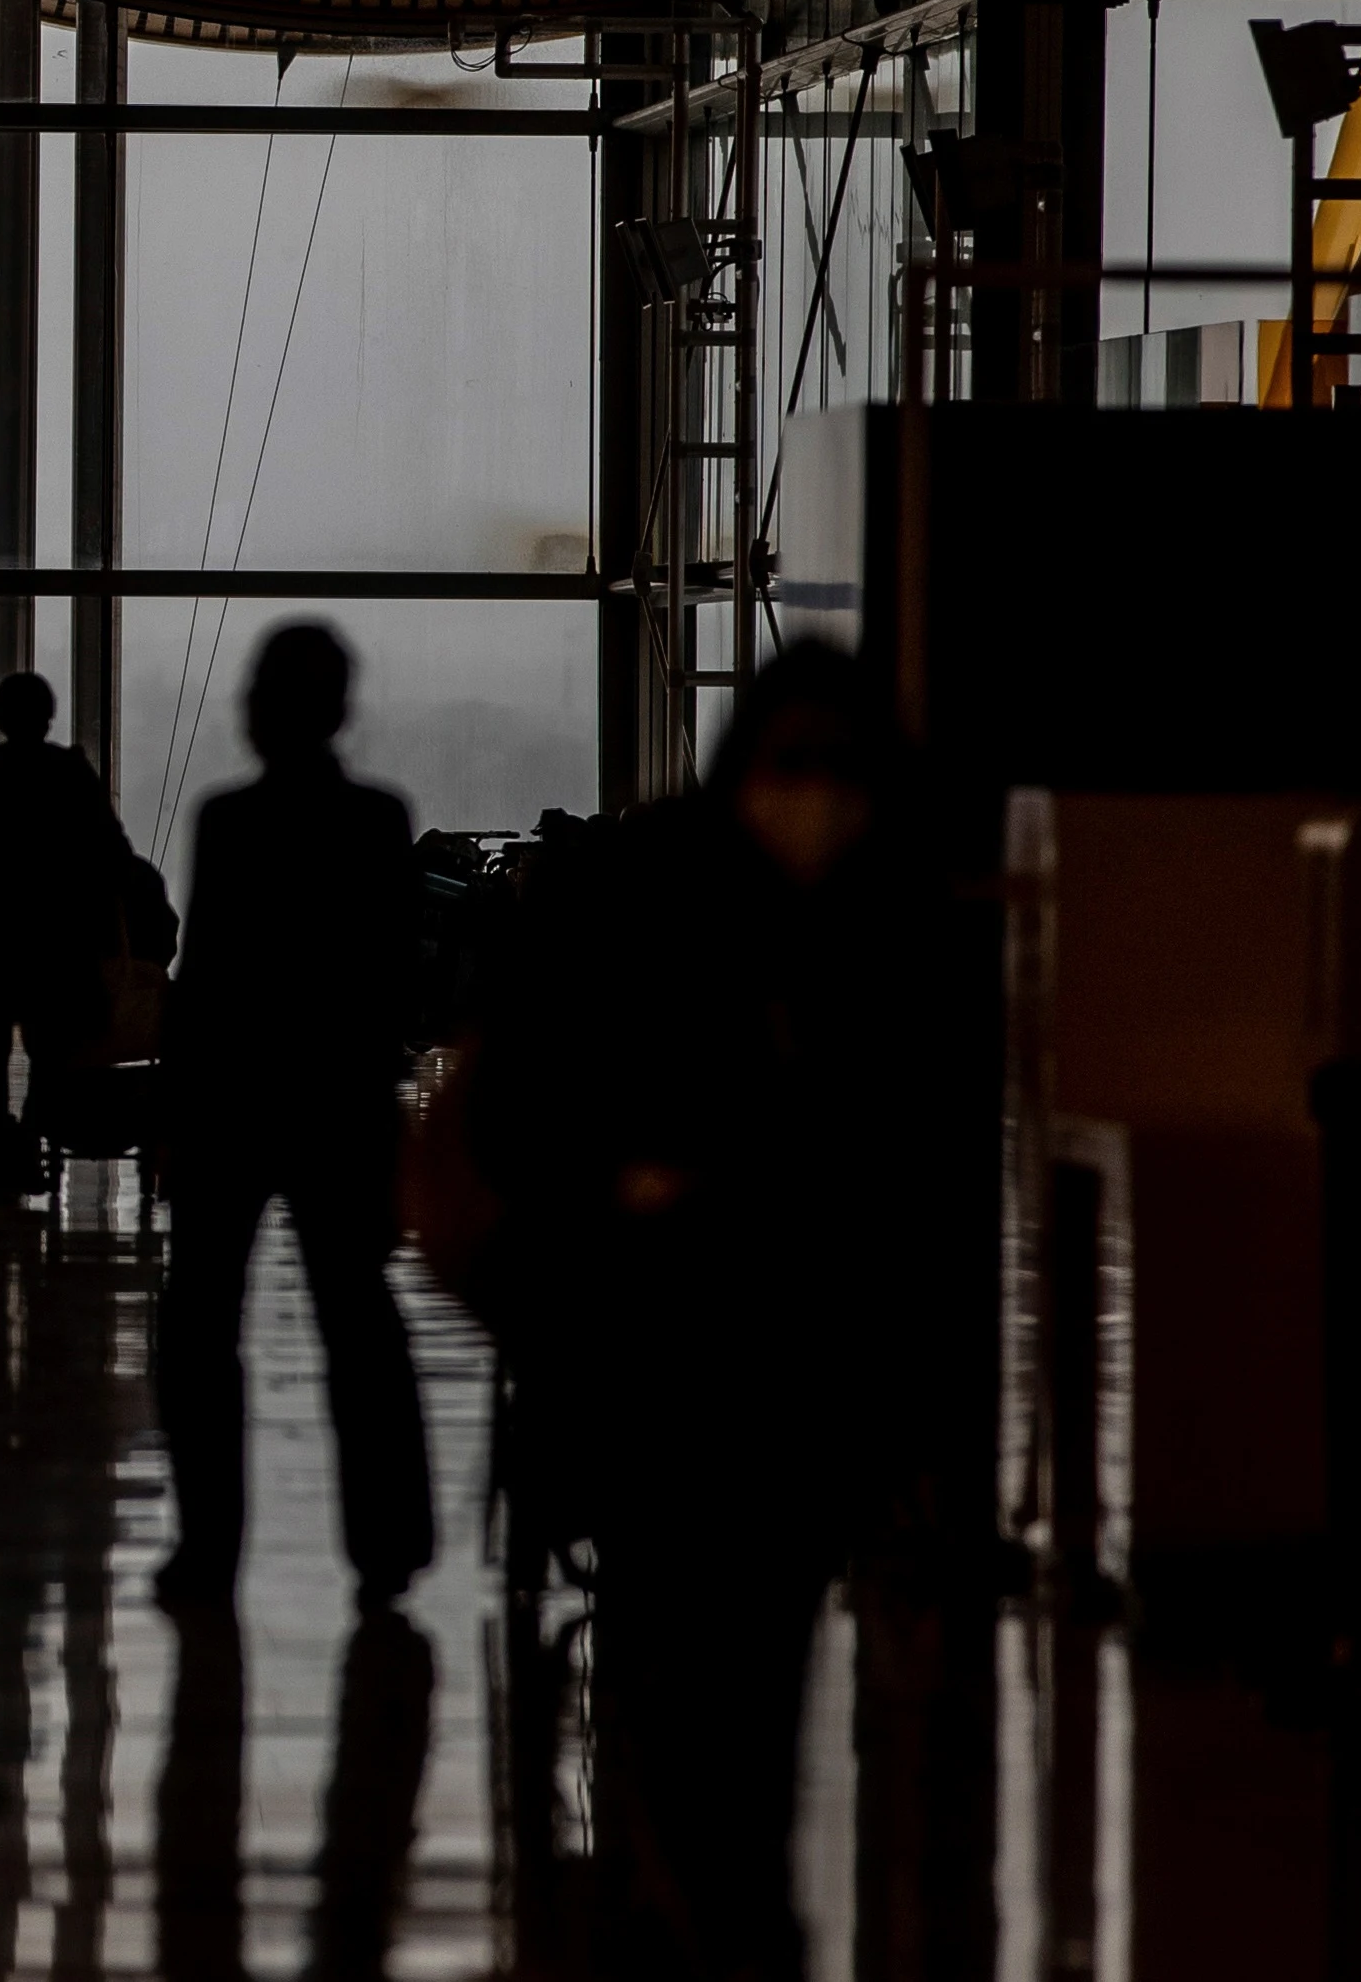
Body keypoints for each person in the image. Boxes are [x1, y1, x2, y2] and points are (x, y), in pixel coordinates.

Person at [453, 640, 978, 1982]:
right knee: (698, 1735)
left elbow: (918, 1218)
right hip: (659, 1399)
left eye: (836, 768)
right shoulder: (660, 913)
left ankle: (708, 1926)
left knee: (734, 1735)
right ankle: (711, 1929)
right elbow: (493, 1137)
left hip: (793, 1422)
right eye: (791, 763)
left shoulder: (888, 939)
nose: (813, 797)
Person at [152, 621, 435, 1615]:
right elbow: (395, 978)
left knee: (196, 1329)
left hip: (234, 1101)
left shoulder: (226, 820)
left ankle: (207, 1546)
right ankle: (388, 1543)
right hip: (339, 1103)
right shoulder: (377, 819)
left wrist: (175, 1105)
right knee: (357, 1325)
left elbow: (206, 978)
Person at [0, 670, 152, 1132]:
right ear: (49, 718)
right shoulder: (71, 774)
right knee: (52, 1045)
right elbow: (115, 858)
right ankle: (41, 1121)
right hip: (58, 958)